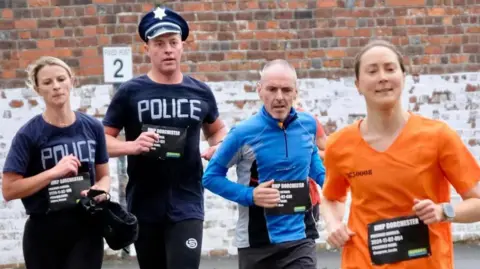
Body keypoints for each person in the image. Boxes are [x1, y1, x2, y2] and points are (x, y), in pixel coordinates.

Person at [321, 39, 480, 269]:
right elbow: (332, 196)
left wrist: (443, 211)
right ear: (357, 84)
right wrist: (333, 222)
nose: (382, 77)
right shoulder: (340, 144)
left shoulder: (438, 136)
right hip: (362, 262)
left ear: (403, 77)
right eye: (372, 71)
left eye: (390, 68)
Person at [102, 6, 226, 269]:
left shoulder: (200, 91)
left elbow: (216, 131)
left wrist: (219, 147)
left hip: (187, 200)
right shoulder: (130, 92)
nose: (168, 49)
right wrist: (131, 146)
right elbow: (102, 142)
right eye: (159, 43)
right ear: (146, 49)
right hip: (145, 202)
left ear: (182, 46)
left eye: (173, 42)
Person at [202, 59, 325, 269]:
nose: (279, 97)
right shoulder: (242, 133)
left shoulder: (308, 125)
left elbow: (320, 174)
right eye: (272, 89)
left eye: (286, 90)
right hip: (256, 243)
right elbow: (211, 177)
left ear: (295, 92)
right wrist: (250, 195)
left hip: (300, 239)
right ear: (260, 91)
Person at [2, 56, 111, 269]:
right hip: (44, 231)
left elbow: (104, 175)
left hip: (85, 226)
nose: (56, 87)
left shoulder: (92, 127)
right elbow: (9, 189)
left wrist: (101, 191)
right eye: (47, 82)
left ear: (72, 81)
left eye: (61, 79)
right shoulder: (29, 134)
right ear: (37, 88)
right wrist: (53, 172)